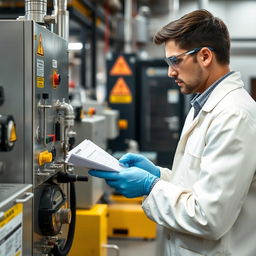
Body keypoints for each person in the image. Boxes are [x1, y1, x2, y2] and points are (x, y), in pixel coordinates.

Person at [89, 9, 256, 256]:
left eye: (175, 61)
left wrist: (150, 186)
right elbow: (197, 185)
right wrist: (159, 174)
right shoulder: (203, 105)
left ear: (205, 56)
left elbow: (209, 217)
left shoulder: (234, 115)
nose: (170, 72)